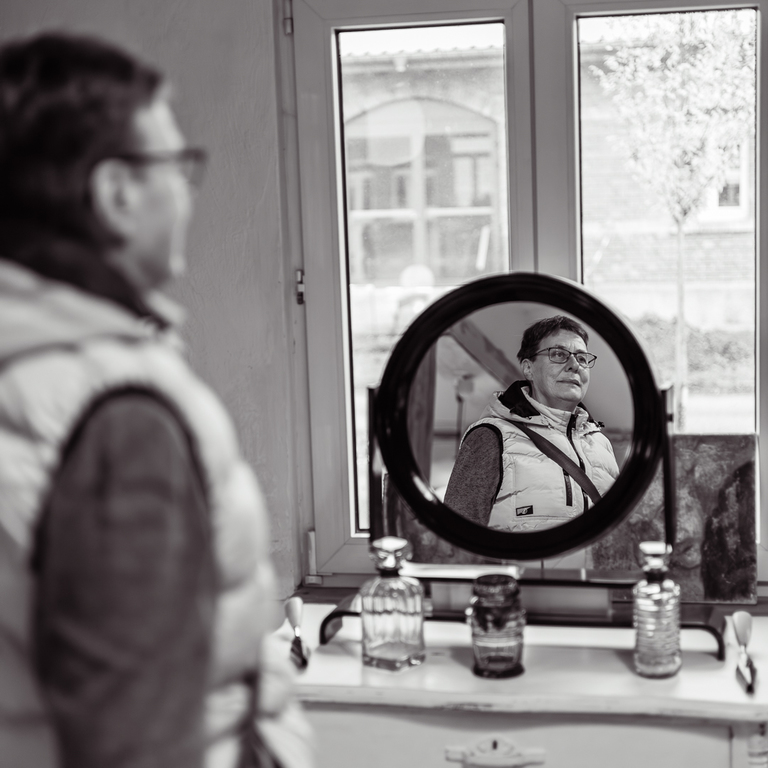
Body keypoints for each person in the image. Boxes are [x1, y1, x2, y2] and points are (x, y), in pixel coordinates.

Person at [0, 32, 310, 768]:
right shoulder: (117, 412)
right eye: (176, 165)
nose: (186, 191)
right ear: (117, 193)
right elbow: (135, 739)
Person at [444, 315, 619, 532]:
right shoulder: (491, 437)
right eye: (559, 354)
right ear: (528, 368)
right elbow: (455, 533)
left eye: (582, 358)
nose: (574, 365)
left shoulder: (602, 444)